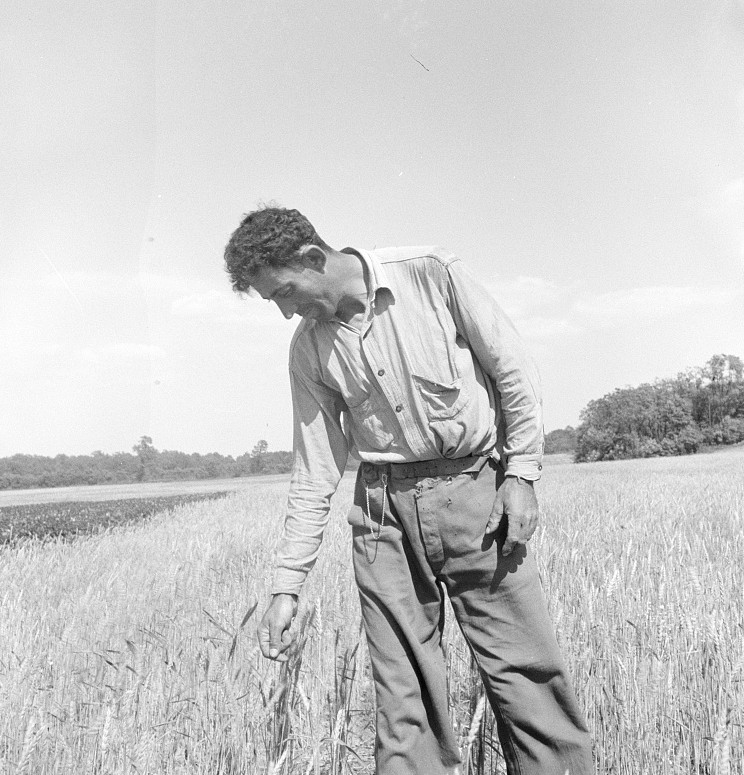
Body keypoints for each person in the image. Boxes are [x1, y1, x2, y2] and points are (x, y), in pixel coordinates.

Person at [224, 206, 593, 775]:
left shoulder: (432, 275)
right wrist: (286, 586)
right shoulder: (308, 349)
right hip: (381, 518)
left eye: (285, 292)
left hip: (478, 498)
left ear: (313, 259)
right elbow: (315, 470)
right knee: (403, 702)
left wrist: (521, 475)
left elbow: (514, 371)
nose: (285, 310)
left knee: (526, 679)